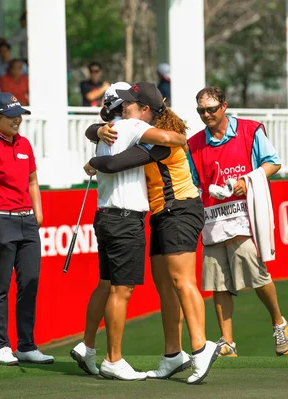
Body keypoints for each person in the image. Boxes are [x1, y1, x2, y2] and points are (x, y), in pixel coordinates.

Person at [83, 82, 220, 385]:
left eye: (130, 105)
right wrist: (96, 129)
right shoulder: (139, 131)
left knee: (182, 281)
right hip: (161, 214)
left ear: (145, 109)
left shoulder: (158, 142)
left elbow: (118, 163)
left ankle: (200, 347)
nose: (124, 111)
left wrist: (93, 161)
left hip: (180, 209)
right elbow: (101, 129)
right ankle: (173, 355)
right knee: (165, 286)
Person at [71, 82, 188, 381]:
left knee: (106, 283)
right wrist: (176, 137)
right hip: (124, 220)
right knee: (122, 291)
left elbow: (104, 152)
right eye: (124, 103)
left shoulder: (107, 129)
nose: (125, 106)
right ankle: (114, 359)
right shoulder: (132, 125)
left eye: (129, 102)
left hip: (105, 216)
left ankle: (88, 348)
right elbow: (168, 137)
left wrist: (95, 134)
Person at [186, 86, 288, 357]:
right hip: (212, 218)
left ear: (224, 106)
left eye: (211, 109)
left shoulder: (250, 130)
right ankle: (227, 341)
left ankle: (279, 323)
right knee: (219, 282)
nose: (206, 115)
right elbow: (194, 182)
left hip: (245, 214)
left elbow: (273, 163)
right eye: (201, 111)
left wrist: (247, 180)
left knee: (256, 274)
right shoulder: (195, 143)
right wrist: (201, 192)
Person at [0, 92, 53, 366]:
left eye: (19, 115)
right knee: (0, 288)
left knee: (30, 284)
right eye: (11, 116)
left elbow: (32, 181)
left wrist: (38, 213)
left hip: (27, 221)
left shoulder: (25, 144)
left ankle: (27, 346)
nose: (17, 120)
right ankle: (2, 346)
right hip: (0, 222)